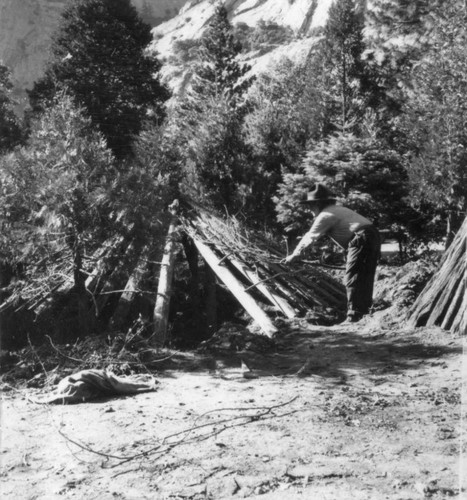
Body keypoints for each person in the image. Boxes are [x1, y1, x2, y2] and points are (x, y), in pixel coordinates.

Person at [283, 183, 381, 322]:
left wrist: (294, 255)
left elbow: (310, 237)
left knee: (353, 276)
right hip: (372, 235)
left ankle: (354, 315)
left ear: (318, 204)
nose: (310, 210)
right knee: (365, 274)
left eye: (310, 206)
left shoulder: (325, 215)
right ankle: (364, 311)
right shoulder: (337, 210)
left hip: (361, 238)